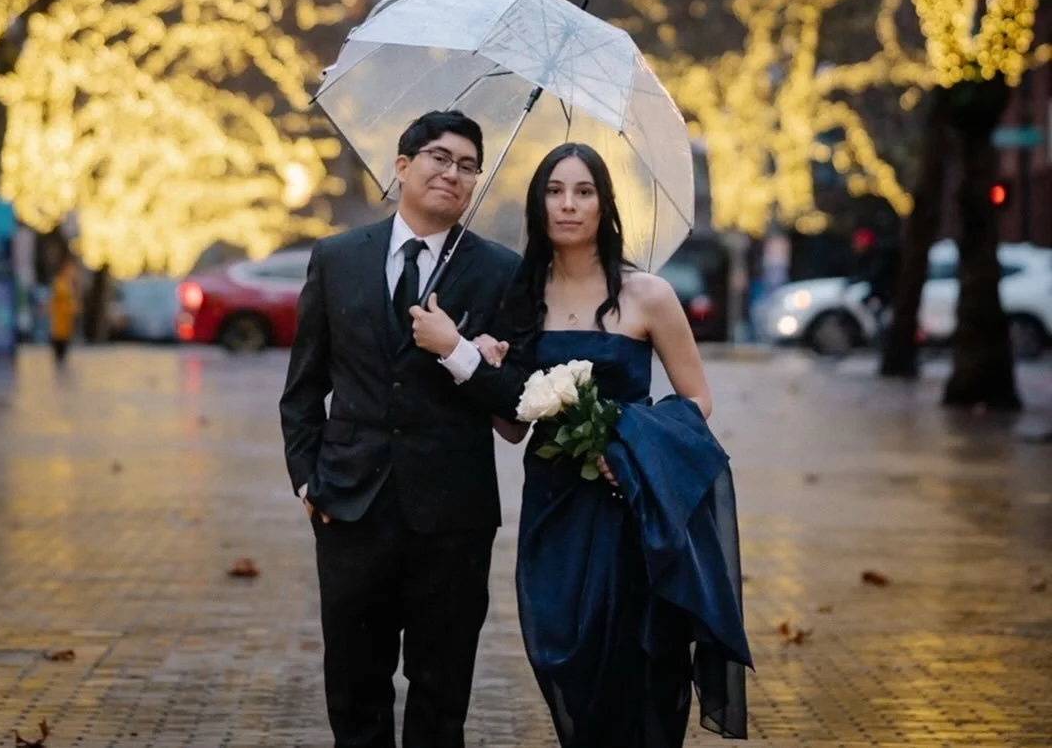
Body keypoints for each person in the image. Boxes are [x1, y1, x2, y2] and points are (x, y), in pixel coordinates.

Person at [279, 110, 535, 748]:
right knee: (354, 692)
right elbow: (303, 388)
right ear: (401, 167)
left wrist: (459, 352)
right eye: (439, 158)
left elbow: (517, 405)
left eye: (468, 166)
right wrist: (309, 482)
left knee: (441, 698)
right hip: (350, 507)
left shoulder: (501, 271)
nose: (453, 173)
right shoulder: (337, 258)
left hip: (453, 519)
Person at [484, 143, 753, 746]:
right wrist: (488, 369)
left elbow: (697, 399)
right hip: (554, 509)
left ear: (604, 205)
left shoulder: (648, 294)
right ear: (537, 205)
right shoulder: (519, 298)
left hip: (632, 505)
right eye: (554, 191)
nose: (568, 204)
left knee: (637, 660)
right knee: (562, 654)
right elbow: (511, 427)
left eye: (584, 191)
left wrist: (629, 445)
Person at [48, 255, 80, 365]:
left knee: (66, 335)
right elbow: (60, 295)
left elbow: (73, 297)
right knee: (59, 335)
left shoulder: (69, 282)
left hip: (67, 314)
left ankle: (62, 356)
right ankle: (59, 355)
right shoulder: (59, 281)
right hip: (60, 314)